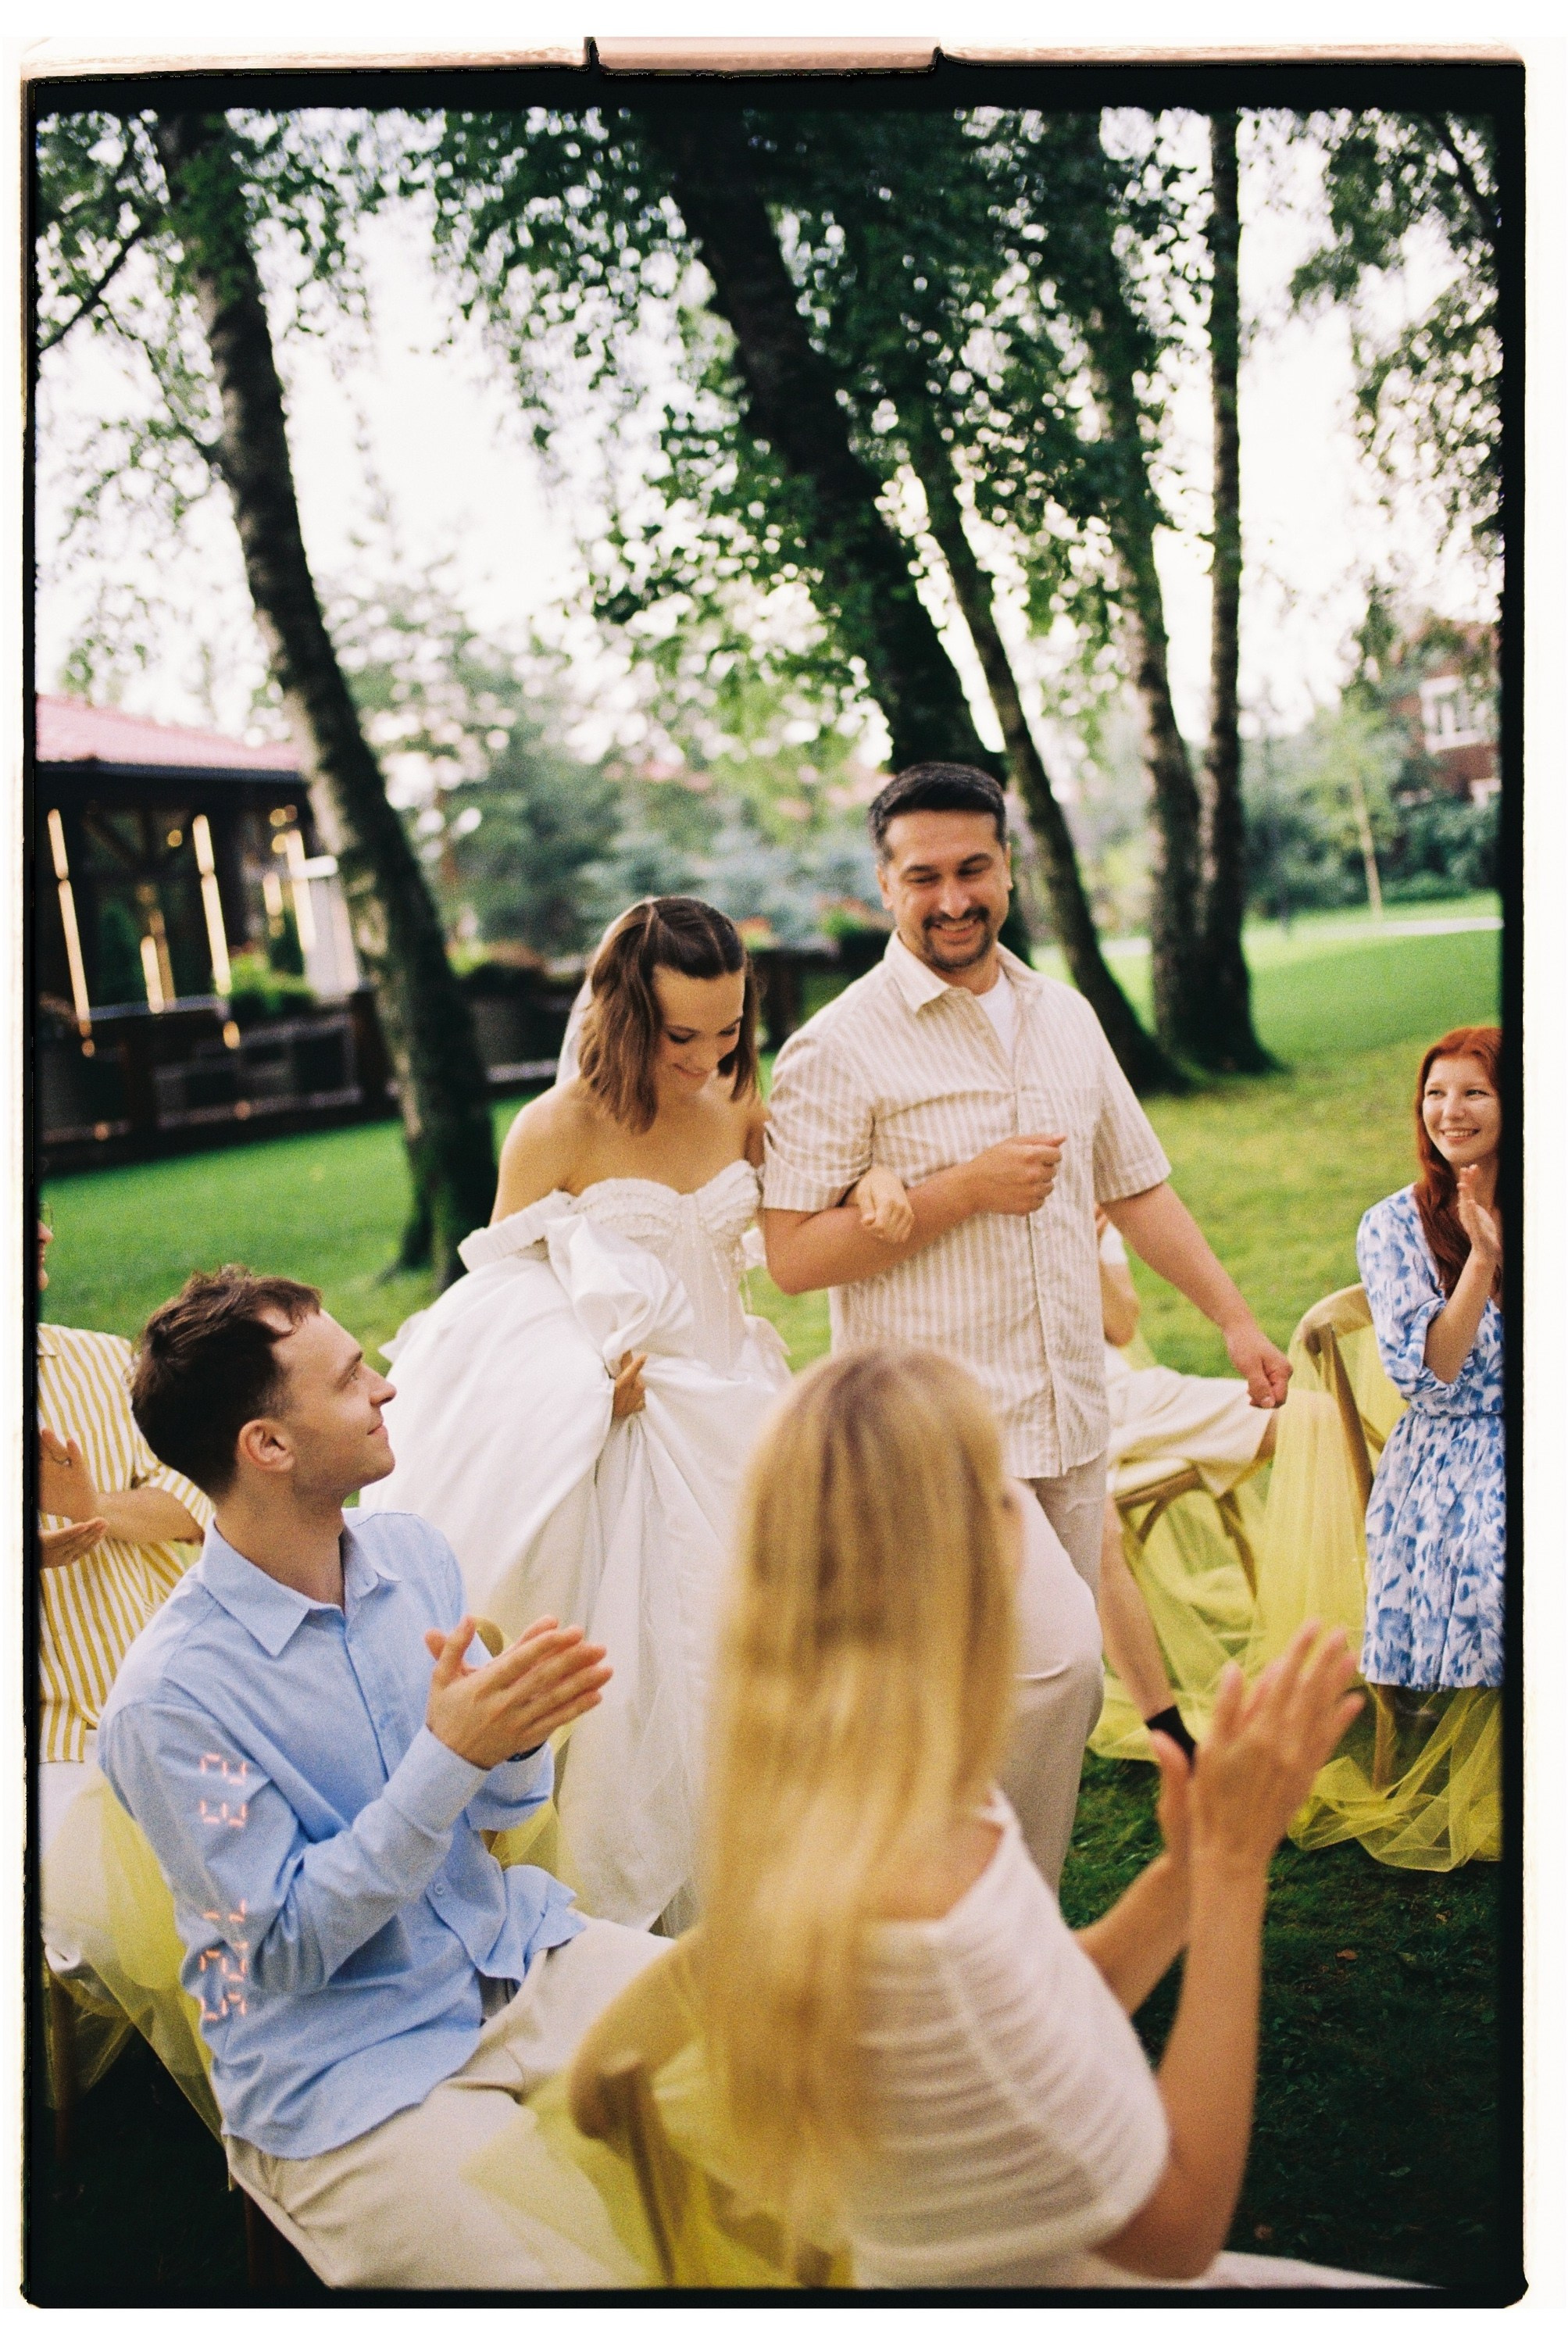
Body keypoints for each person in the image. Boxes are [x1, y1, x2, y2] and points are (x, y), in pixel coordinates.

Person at [695, 1346, 1398, 2289]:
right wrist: (1236, 1876)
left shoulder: (866, 1797)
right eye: (1003, 1490)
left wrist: (1187, 1869)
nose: (1026, 1511)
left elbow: (1047, 1997)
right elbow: (1178, 2232)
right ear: (963, 1555)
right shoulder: (926, 1915)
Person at [98, 1267, 666, 2292]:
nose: (386, 1388)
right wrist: (447, 1760)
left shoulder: (413, 1556)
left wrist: (511, 1739)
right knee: (584, 2283)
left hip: (514, 1960)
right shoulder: (170, 1702)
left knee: (783, 2062)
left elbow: (499, 1810)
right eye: (350, 1378)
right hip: (346, 2072)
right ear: (268, 1447)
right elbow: (285, 1949)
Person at [763, 762, 1291, 1603]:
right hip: (934, 1445)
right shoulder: (835, 1047)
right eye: (923, 878)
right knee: (978, 1681)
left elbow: (1136, 1187)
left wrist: (1235, 1321)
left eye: (973, 869)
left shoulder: (1066, 1016)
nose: (953, 900)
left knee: (1071, 1668)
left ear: (1007, 866)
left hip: (1072, 1423)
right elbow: (791, 1259)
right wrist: (964, 1191)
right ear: (885, 886)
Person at [34, 1213, 211, 1879]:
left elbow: (198, 1504)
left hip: (171, 1711)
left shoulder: (103, 1362)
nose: (44, 1233)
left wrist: (92, 1508)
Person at [1358, 1026, 1504, 1698]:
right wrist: (1481, 1262)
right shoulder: (1391, 1226)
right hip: (1453, 1457)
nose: (1450, 1112)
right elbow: (1432, 1375)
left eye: (1475, 1093)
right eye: (1435, 1093)